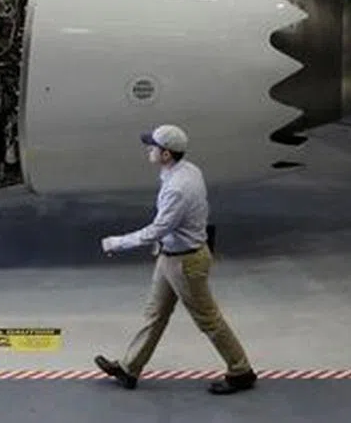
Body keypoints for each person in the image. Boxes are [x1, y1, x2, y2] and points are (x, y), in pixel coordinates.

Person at [93, 124, 257, 396]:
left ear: (166, 154)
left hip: (186, 263)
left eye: (153, 146)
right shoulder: (187, 170)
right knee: (155, 314)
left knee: (209, 320)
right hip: (171, 257)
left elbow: (157, 230)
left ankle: (241, 372)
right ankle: (129, 368)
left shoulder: (178, 188)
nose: (148, 149)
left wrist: (116, 243)